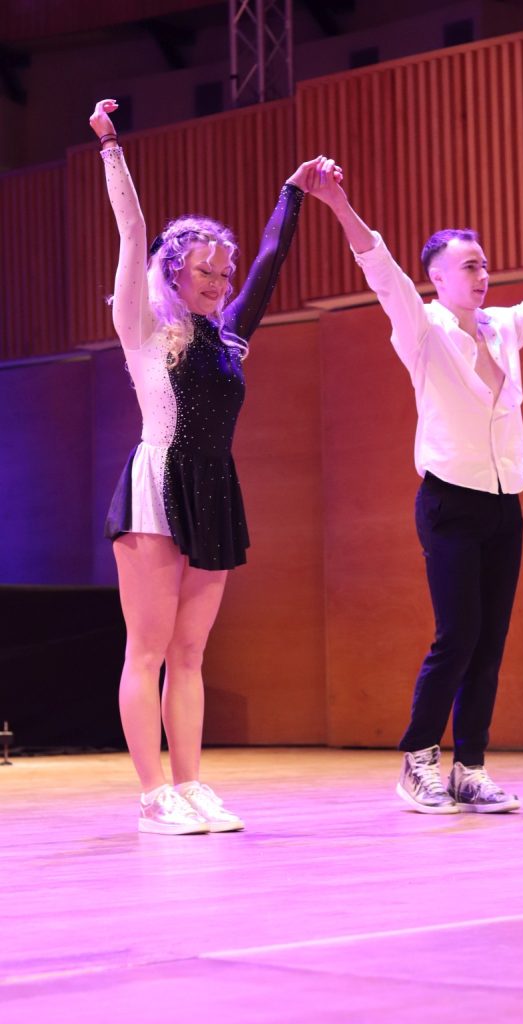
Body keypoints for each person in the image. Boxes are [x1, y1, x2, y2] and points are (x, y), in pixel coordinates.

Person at [309, 164, 523, 814]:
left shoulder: (503, 327)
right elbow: (379, 269)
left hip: (503, 506)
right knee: (457, 635)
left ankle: (469, 768)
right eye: (468, 265)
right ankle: (417, 761)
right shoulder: (422, 330)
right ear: (436, 278)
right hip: (449, 504)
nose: (482, 274)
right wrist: (339, 205)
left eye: (484, 264)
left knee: (489, 641)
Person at [89, 98, 340, 835]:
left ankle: (191, 783)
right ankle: (152, 795)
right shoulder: (143, 326)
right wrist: (110, 147)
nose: (220, 283)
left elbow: (269, 263)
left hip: (213, 487)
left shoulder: (228, 339)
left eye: (223, 275)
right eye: (206, 271)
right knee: (148, 649)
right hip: (158, 485)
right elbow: (131, 229)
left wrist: (292, 194)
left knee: (191, 652)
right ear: (173, 271)